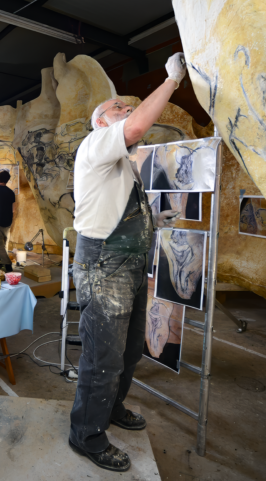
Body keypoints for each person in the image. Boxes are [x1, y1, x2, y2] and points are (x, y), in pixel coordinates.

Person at [68, 52, 187, 472]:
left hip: (130, 267)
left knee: (130, 349)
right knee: (102, 358)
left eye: (126, 105)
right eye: (117, 107)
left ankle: (112, 408)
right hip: (104, 267)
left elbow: (122, 208)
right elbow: (136, 126)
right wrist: (172, 80)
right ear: (103, 123)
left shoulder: (123, 165)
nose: (127, 109)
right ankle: (87, 434)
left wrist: (161, 217)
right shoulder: (97, 142)